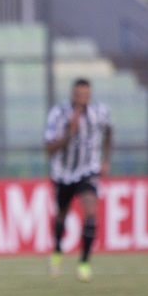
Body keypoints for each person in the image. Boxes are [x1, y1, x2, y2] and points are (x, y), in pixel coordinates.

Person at [43, 77, 113, 282]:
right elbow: (49, 149)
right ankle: (57, 251)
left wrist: (106, 160)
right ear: (72, 95)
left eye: (86, 95)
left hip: (88, 170)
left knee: (91, 212)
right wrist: (68, 133)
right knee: (62, 214)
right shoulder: (58, 114)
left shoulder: (100, 112)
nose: (83, 99)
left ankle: (84, 262)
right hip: (63, 173)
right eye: (79, 95)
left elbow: (109, 131)